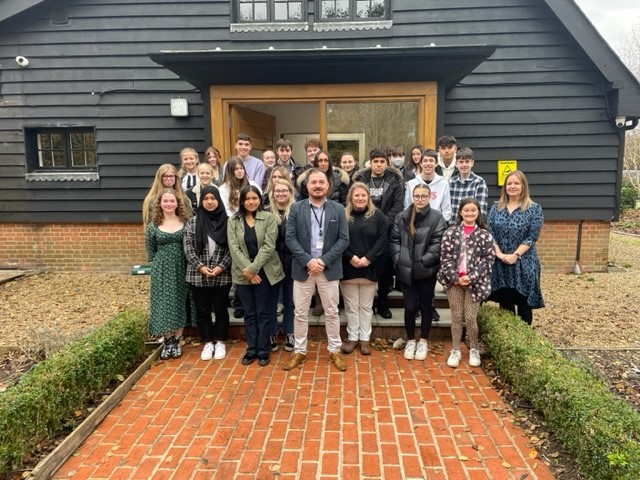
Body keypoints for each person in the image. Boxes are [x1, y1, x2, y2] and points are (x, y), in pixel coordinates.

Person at [284, 169, 350, 372]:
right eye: (314, 182)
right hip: (303, 269)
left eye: (322, 182)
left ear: (328, 185)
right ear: (307, 186)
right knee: (300, 313)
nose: (318, 186)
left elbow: (343, 239)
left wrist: (322, 261)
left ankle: (334, 350)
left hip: (328, 269)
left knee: (331, 312)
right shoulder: (296, 208)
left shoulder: (338, 209)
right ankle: (300, 351)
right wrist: (308, 261)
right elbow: (290, 239)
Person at [227, 185, 284, 367]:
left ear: (260, 199)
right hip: (243, 274)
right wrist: (249, 271)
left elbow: (269, 246)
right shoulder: (233, 221)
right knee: (250, 313)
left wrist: (254, 269)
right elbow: (234, 248)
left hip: (265, 273)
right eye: (248, 199)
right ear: (242, 201)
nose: (251, 202)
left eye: (255, 198)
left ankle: (264, 349)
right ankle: (251, 348)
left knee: (264, 312)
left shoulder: (268, 218)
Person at [390, 183, 447, 361]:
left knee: (425, 306)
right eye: (417, 196)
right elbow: (394, 240)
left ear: (429, 197)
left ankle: (423, 340)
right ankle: (411, 340)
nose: (420, 199)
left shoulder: (437, 218)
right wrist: (400, 260)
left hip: (426, 271)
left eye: (423, 196)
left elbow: (438, 243)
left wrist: (424, 261)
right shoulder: (402, 216)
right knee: (409, 307)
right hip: (406, 271)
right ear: (412, 197)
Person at [437, 198, 495, 368]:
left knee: (470, 317)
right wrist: (456, 277)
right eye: (466, 210)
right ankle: (455, 349)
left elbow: (488, 259)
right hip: (454, 282)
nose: (469, 213)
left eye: (473, 210)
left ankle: (474, 348)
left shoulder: (485, 235)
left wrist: (473, 276)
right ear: (460, 212)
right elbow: (445, 258)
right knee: (456, 317)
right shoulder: (451, 232)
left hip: (474, 283)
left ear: (478, 213)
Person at [352, 147, 404, 319]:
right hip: (364, 230)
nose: (379, 165)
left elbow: (397, 207)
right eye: (376, 161)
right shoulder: (361, 180)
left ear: (387, 163)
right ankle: (366, 304)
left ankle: (382, 302)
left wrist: (381, 223)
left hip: (386, 230)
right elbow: (355, 201)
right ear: (370, 163)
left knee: (385, 268)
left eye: (382, 162)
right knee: (365, 264)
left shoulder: (395, 181)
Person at [487, 170, 544, 324]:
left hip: (523, 263)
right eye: (509, 183)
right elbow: (490, 233)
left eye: (516, 183)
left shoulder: (534, 209)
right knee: (505, 305)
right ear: (505, 187)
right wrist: (499, 254)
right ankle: (508, 341)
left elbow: (532, 237)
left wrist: (515, 255)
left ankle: (524, 341)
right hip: (501, 263)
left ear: (523, 186)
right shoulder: (496, 208)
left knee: (524, 305)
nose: (512, 186)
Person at [183, 186, 232, 361]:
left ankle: (220, 341)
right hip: (198, 275)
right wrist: (201, 267)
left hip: (222, 274)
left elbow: (232, 248)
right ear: (201, 201)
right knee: (202, 310)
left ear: (218, 199)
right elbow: (188, 248)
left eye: (213, 198)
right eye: (206, 199)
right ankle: (207, 342)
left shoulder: (228, 222)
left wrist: (221, 266)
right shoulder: (192, 222)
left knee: (220, 309)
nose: (210, 202)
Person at [340, 182, 388, 355]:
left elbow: (383, 240)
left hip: (370, 268)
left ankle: (365, 339)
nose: (360, 198)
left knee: (366, 307)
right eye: (356, 195)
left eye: (363, 195)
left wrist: (368, 258)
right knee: (351, 306)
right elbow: (338, 239)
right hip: (348, 267)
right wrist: (350, 257)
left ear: (368, 197)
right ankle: (352, 337)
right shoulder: (343, 215)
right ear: (351, 198)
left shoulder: (378, 216)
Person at [145, 188, 190, 360]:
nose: (169, 204)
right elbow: (150, 250)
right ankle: (167, 339)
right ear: (160, 203)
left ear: (177, 203)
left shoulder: (185, 222)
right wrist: (160, 264)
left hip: (182, 265)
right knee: (163, 301)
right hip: (162, 268)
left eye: (172, 201)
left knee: (180, 300)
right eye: (166, 201)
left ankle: (177, 339)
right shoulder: (153, 225)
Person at [266, 178, 296, 352]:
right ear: (273, 193)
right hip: (271, 263)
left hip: (293, 263)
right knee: (271, 300)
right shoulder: (266, 212)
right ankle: (271, 331)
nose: (281, 194)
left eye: (284, 190)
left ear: (290, 193)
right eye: (277, 191)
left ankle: (289, 332)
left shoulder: (297, 211)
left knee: (291, 301)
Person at [404, 149, 452, 222]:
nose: (428, 163)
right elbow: (407, 207)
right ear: (421, 163)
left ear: (436, 164)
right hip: (416, 223)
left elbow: (447, 211)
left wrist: (439, 225)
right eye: (425, 161)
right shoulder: (411, 184)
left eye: (431, 161)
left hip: (436, 225)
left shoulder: (444, 184)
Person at [448, 147, 488, 224]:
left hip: (471, 227)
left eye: (467, 162)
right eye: (461, 162)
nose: (464, 165)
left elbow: (481, 210)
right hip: (453, 226)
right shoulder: (451, 182)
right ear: (456, 164)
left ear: (472, 163)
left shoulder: (479, 182)